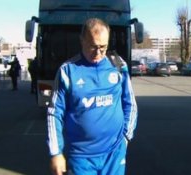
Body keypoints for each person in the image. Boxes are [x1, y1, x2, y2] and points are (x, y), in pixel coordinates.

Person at [47, 18, 138, 175]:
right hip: (81, 158)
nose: (98, 53)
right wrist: (56, 152)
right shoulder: (67, 71)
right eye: (93, 46)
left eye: (103, 47)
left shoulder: (118, 65)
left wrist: (126, 137)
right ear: (82, 41)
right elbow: (54, 113)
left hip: (114, 154)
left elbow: (130, 104)